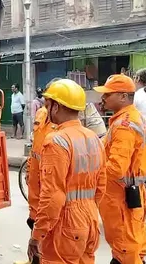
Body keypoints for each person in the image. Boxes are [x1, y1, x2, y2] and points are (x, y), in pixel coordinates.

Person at [28, 79, 107, 264]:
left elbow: (52, 196)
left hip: (65, 224)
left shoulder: (57, 141)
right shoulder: (94, 138)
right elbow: (101, 185)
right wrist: (86, 208)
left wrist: (37, 235)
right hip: (90, 219)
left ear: (56, 106)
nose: (46, 111)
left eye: (48, 105)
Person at [94, 74, 146, 264]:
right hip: (131, 193)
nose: (103, 98)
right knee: (134, 245)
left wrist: (93, 174)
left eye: (108, 94)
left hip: (120, 198)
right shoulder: (130, 119)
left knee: (125, 248)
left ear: (123, 96)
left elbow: (117, 168)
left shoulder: (124, 125)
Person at [26, 79, 61, 234]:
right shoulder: (41, 113)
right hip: (35, 174)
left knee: (49, 222)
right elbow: (35, 145)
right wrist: (29, 168)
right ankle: (34, 256)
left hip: (50, 177)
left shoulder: (62, 121)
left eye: (50, 98)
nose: (46, 101)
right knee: (34, 219)